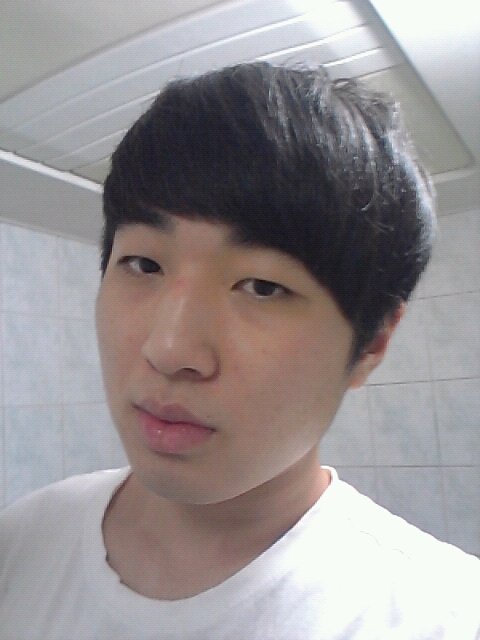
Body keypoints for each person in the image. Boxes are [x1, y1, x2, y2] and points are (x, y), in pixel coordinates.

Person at [0, 62, 478, 640]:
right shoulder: (22, 541)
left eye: (262, 286)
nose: (170, 350)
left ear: (373, 340)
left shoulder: (443, 615)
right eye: (144, 264)